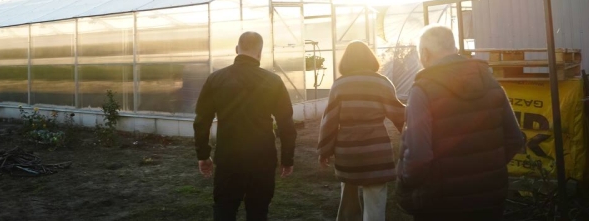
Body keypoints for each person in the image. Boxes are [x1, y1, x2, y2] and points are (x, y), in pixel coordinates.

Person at [396, 25, 526, 221]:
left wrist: (406, 180)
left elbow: (418, 156)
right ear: (454, 48)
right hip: (489, 198)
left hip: (440, 202)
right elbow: (515, 139)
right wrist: (487, 169)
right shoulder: (490, 82)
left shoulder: (422, 91)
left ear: (424, 53)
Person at [193, 31, 297, 221]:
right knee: (258, 211)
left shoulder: (216, 79)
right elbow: (286, 123)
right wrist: (287, 158)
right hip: (262, 158)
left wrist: (203, 154)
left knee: (225, 208)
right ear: (260, 53)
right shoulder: (273, 81)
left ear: (236, 50)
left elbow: (201, 120)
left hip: (228, 157)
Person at [317, 41, 406, 221]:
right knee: (375, 200)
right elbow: (399, 115)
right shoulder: (382, 82)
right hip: (376, 151)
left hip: (348, 151)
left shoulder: (340, 84)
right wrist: (411, 139)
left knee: (348, 197)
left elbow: (330, 120)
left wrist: (324, 150)